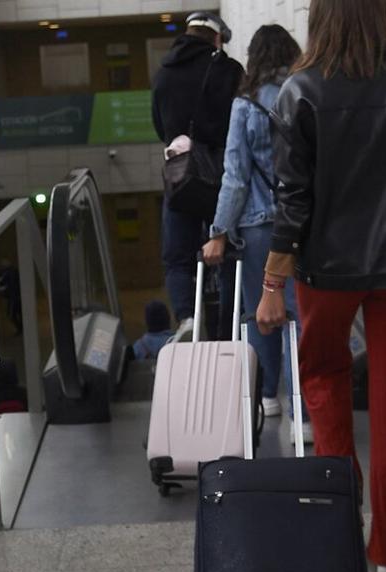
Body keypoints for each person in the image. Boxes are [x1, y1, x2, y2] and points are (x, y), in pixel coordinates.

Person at [256, 0, 386, 572]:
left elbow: (291, 203)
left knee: (323, 380)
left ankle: (338, 525)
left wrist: (273, 283)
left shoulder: (299, 90)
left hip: (324, 273)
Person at [202, 25, 307, 434]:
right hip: (302, 224)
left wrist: (218, 230)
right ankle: (306, 413)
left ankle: (268, 397)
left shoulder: (245, 106)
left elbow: (236, 178)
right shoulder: (306, 95)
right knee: (297, 316)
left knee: (260, 314)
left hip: (260, 228)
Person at [151, 12, 244, 342]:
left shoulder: (164, 74)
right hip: (222, 174)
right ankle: (232, 320)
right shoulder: (229, 71)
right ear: (217, 39)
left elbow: (160, 126)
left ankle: (188, 317)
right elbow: (240, 120)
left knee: (177, 256)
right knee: (228, 250)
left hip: (181, 175)